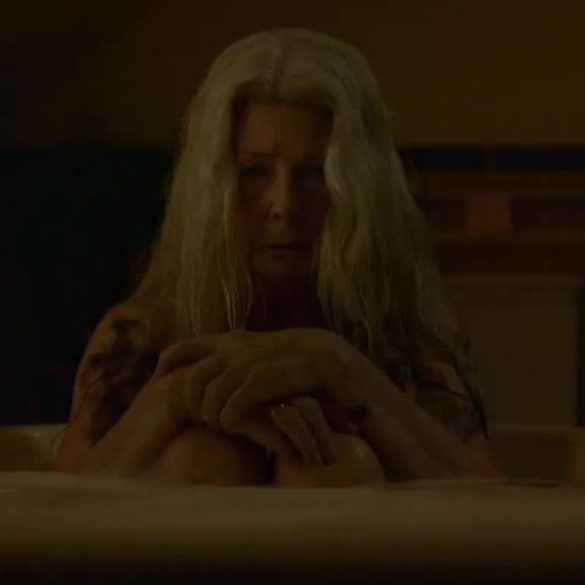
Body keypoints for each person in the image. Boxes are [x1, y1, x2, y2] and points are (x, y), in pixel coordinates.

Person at [54, 28, 500, 486]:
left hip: (359, 522)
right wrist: (177, 396)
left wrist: (342, 369)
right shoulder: (145, 332)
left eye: (315, 173)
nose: (284, 205)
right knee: (203, 457)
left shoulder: (407, 333)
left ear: (361, 191)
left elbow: (490, 501)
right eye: (254, 171)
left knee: (335, 463)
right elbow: (60, 507)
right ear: (211, 189)